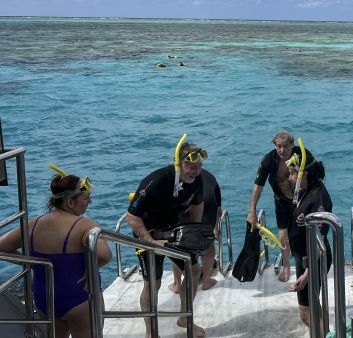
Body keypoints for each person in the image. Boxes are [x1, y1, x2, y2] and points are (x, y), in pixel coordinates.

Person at [0, 164, 112, 338]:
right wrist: (89, 271)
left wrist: (30, 262)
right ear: (70, 202)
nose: (90, 202)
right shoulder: (85, 225)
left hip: (45, 299)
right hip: (80, 297)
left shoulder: (33, 224)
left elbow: (2, 247)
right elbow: (105, 255)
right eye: (87, 198)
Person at [126, 135, 207, 337]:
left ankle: (185, 318)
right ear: (178, 164)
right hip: (147, 232)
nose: (195, 172)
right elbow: (131, 216)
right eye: (191, 168)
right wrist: (150, 241)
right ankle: (151, 332)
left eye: (198, 168)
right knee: (154, 282)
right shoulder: (157, 180)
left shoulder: (198, 180)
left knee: (194, 270)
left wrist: (195, 231)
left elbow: (197, 204)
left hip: (174, 230)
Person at [246, 130, 314, 282]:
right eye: (278, 146)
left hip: (303, 200)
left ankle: (310, 266)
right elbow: (258, 185)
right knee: (283, 235)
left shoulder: (303, 155)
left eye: (285, 146)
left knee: (306, 232)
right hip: (282, 201)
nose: (282, 150)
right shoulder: (268, 161)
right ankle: (287, 266)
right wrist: (252, 210)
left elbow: (316, 177)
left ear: (292, 144)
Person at [285, 151, 332, 328]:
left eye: (291, 173)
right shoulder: (305, 191)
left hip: (314, 262)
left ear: (303, 173)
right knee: (309, 311)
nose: (289, 178)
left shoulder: (319, 199)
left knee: (307, 313)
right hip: (304, 260)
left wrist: (307, 274)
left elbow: (320, 242)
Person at [170, 169, 222, 292]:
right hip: (208, 205)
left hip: (186, 206)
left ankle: (177, 284)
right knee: (208, 244)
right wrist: (216, 230)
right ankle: (206, 281)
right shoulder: (210, 175)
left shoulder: (175, 177)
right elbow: (218, 210)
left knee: (176, 247)